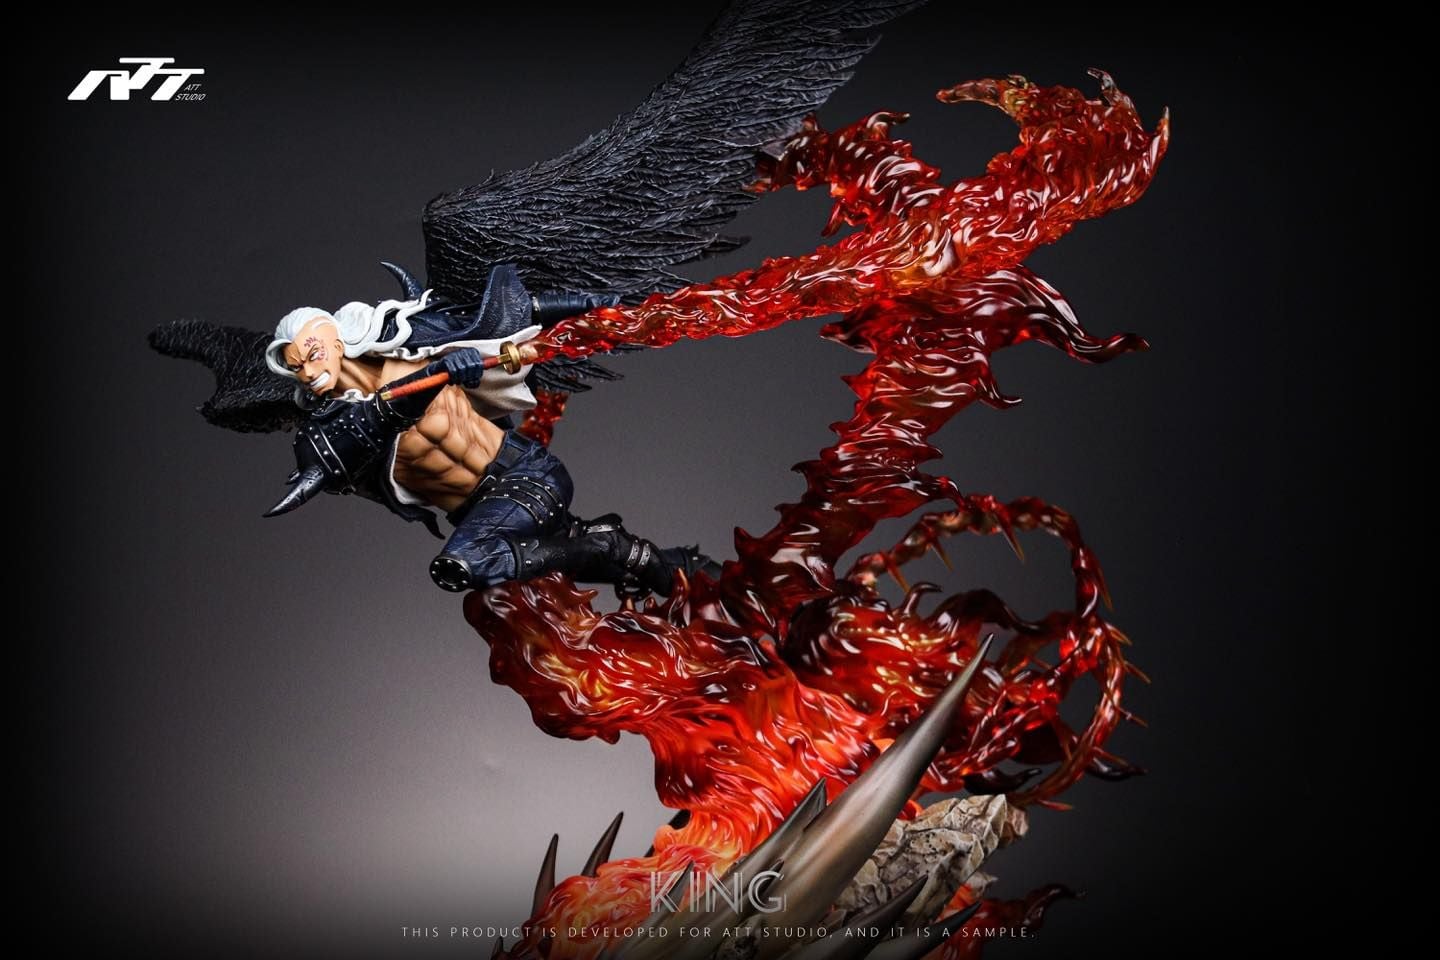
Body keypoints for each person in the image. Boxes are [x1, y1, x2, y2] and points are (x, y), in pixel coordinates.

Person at [260, 263, 713, 597]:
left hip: (527, 473)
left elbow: (513, 313)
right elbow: (384, 416)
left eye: (313, 354)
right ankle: (683, 569)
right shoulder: (326, 436)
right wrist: (437, 374)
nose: (308, 372)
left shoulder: (412, 340)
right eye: (296, 366)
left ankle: (610, 546)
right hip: (486, 514)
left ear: (336, 339)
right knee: (571, 565)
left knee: (463, 562)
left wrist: (595, 307)